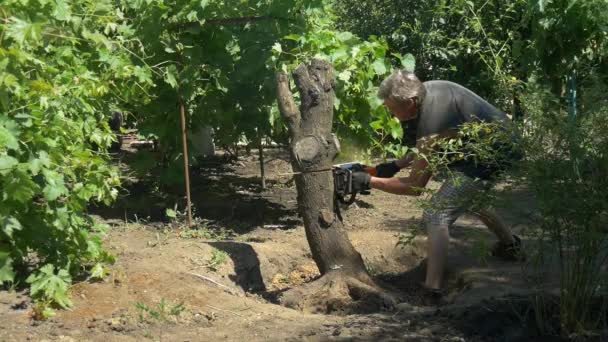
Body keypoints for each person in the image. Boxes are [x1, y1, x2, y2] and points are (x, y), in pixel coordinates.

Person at [350, 70, 523, 303]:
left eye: (393, 110)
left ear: (410, 103)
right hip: (483, 144)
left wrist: (369, 181)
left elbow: (415, 185)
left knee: (436, 213)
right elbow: (432, 145)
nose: (391, 115)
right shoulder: (424, 92)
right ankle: (511, 246)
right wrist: (394, 165)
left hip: (493, 152)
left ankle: (432, 290)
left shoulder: (432, 115)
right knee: (471, 197)